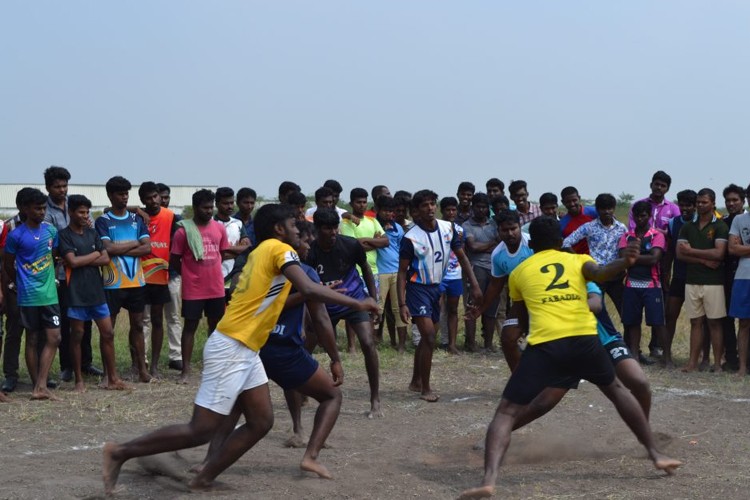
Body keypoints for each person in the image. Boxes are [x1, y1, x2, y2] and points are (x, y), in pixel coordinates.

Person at [102, 204, 379, 494]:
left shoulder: (263, 252)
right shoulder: (278, 249)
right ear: (279, 229)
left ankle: (204, 478)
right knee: (201, 429)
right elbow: (308, 291)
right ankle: (119, 452)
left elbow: (291, 296)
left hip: (247, 349)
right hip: (232, 346)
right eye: (294, 225)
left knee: (261, 421)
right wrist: (359, 303)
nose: (300, 230)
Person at [458, 216, 682, 500]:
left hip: (546, 345)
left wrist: (514, 338)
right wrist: (624, 263)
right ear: (559, 242)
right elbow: (601, 272)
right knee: (616, 390)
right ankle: (655, 453)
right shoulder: (577, 261)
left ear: (532, 243)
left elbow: (521, 317)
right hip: (584, 340)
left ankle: (489, 480)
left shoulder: (519, 272)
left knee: (505, 412)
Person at [397, 190, 482, 402]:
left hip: (437, 288)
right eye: (425, 205)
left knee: (427, 338)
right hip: (418, 289)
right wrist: (401, 303)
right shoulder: (410, 238)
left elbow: (462, 257)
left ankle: (416, 380)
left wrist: (475, 284)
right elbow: (401, 272)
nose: (430, 208)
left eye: (432, 204)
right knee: (428, 336)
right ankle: (425, 388)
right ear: (416, 211)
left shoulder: (448, 228)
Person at [304, 208, 382, 418]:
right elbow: (306, 288)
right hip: (325, 305)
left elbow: (365, 268)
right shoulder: (309, 252)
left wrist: (372, 299)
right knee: (306, 347)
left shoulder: (350, 244)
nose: (333, 232)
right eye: (327, 228)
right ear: (317, 229)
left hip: (353, 299)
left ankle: (375, 399)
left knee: (368, 342)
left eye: (335, 227)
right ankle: (300, 390)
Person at [59, 195, 129, 392]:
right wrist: (93, 255)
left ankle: (112, 378)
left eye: (87, 212)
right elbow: (72, 262)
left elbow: (105, 258)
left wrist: (84, 258)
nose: (84, 215)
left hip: (96, 292)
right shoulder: (64, 235)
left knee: (108, 332)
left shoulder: (92, 233)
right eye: (81, 212)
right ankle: (79, 380)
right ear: (71, 212)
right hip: (76, 293)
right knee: (77, 336)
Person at [43, 166, 101, 382]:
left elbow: (91, 232)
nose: (62, 190)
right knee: (67, 321)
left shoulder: (76, 205)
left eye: (65, 185)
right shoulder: (45, 211)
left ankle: (86, 363)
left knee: (86, 321)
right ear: (49, 187)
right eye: (57, 186)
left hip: (85, 271)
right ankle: (67, 365)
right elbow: (54, 242)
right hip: (60, 274)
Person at [2, 188, 61, 400]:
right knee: (32, 339)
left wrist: (49, 278)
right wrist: (20, 283)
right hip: (27, 297)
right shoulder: (15, 235)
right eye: (37, 208)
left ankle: (41, 384)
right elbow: (8, 265)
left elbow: (53, 256)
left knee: (54, 337)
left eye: (44, 208)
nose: (42, 212)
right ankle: (38, 386)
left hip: (50, 296)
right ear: (25, 209)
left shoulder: (51, 231)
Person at [96, 176, 152, 383]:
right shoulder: (103, 221)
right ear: (110, 196)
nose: (124, 197)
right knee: (108, 329)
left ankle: (142, 370)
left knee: (138, 325)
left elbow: (147, 247)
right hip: (112, 283)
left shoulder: (137, 219)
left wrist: (120, 248)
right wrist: (134, 243)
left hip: (137, 282)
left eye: (127, 193)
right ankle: (108, 373)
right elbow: (108, 249)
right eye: (120, 194)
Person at [170, 189, 229, 384]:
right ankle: (185, 371)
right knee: (190, 327)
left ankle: (214, 366)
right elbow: (175, 260)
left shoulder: (219, 229)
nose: (209, 211)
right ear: (195, 208)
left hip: (216, 287)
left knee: (215, 327)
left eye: (211, 207)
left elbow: (223, 252)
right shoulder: (182, 232)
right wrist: (191, 273)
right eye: (205, 208)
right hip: (194, 289)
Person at [629, 170, 681, 359]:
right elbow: (633, 230)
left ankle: (657, 346)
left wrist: (659, 233)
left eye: (663, 185)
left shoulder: (673, 209)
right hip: (641, 254)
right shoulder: (639, 205)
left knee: (660, 304)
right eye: (656, 184)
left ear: (667, 188)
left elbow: (675, 233)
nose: (659, 187)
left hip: (665, 258)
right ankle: (635, 350)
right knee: (640, 305)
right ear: (651, 184)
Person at [676, 188, 729, 373]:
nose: (700, 205)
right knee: (695, 322)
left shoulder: (720, 226)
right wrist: (703, 259)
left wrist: (691, 251)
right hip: (692, 280)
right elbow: (680, 254)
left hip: (714, 282)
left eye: (704, 202)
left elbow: (719, 253)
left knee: (714, 323)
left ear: (713, 203)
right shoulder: (687, 226)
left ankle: (716, 364)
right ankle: (692, 363)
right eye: (698, 202)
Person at [562, 193, 627, 320]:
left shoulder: (621, 228)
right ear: (597, 209)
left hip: (616, 276)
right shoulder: (589, 227)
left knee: (626, 312)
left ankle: (627, 340)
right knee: (595, 314)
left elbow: (625, 247)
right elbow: (566, 242)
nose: (607, 212)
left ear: (614, 208)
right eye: (603, 208)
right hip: (597, 276)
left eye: (610, 208)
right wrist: (579, 260)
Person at [618, 201, 667, 366]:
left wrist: (633, 258)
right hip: (631, 285)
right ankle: (635, 355)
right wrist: (637, 258)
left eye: (644, 215)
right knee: (632, 322)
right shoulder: (627, 236)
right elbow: (624, 259)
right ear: (633, 216)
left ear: (649, 216)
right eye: (637, 215)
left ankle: (667, 357)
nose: (640, 219)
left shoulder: (656, 235)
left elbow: (654, 258)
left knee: (658, 322)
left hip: (652, 285)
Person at [340, 188, 388, 352]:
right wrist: (374, 241)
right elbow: (352, 245)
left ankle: (369, 341)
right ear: (351, 203)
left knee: (372, 306)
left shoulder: (372, 221)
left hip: (373, 271)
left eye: (364, 202)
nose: (362, 205)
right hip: (354, 271)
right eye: (358, 202)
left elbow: (385, 241)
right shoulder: (346, 223)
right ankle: (351, 345)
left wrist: (366, 241)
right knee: (353, 307)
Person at [138, 182, 176, 378]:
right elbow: (109, 209)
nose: (153, 201)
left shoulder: (170, 216)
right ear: (142, 200)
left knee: (157, 321)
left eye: (155, 197)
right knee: (138, 322)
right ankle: (140, 364)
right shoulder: (137, 216)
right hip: (139, 277)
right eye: (148, 198)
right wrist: (137, 210)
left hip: (161, 276)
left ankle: (154, 366)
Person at [462, 193, 501, 351]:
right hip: (475, 268)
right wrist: (492, 243)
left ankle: (488, 345)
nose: (481, 210)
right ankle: (470, 344)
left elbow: (500, 243)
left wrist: (484, 245)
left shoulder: (494, 224)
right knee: (473, 305)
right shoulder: (467, 225)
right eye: (478, 206)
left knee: (491, 307)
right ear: (472, 208)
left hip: (494, 268)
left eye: (484, 207)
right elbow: (473, 247)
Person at [664, 190, 698, 368]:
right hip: (678, 276)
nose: (684, 208)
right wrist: (666, 273)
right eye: (681, 204)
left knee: (698, 320)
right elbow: (669, 251)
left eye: (689, 205)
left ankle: (701, 358)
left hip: (697, 277)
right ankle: (667, 356)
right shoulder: (672, 223)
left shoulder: (701, 222)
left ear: (695, 205)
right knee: (670, 316)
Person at [155, 183, 184, 371]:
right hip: (151, 275)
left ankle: (176, 355)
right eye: (160, 197)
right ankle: (145, 357)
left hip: (172, 274)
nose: (163, 201)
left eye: (166, 197)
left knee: (173, 316)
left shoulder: (176, 219)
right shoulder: (145, 218)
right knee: (148, 319)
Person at [374, 195, 408, 352]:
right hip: (379, 272)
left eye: (391, 211)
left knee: (398, 307)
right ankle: (373, 342)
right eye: (385, 211)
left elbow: (402, 249)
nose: (389, 214)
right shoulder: (374, 225)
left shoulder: (398, 228)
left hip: (397, 272)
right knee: (377, 308)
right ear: (378, 210)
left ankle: (401, 345)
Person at [720, 183, 746, 370]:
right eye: (728, 200)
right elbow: (730, 249)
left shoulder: (745, 219)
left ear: (743, 201)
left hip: (745, 274)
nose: (731, 203)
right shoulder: (722, 223)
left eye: (735, 200)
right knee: (727, 319)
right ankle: (731, 358)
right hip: (727, 276)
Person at [213, 187, 251, 302]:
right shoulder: (210, 223)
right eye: (225, 203)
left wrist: (222, 248)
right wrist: (236, 250)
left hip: (234, 273)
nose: (230, 206)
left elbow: (247, 247)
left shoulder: (237, 223)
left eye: (231, 203)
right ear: (217, 204)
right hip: (214, 273)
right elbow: (211, 252)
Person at [437, 197, 464, 354]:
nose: (451, 212)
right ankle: (434, 340)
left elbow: (463, 253)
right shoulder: (436, 227)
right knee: (437, 308)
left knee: (453, 309)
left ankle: (452, 344)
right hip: (438, 275)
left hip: (455, 274)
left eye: (454, 209)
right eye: (448, 209)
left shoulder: (460, 230)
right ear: (442, 210)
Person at [728, 189, 750, 375]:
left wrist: (745, 248)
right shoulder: (739, 220)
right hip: (743, 276)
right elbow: (733, 248)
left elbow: (739, 247)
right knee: (743, 322)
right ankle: (742, 367)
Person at [559, 186, 597, 254]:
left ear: (579, 198)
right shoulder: (562, 224)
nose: (572, 204)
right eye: (568, 202)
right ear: (563, 202)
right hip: (577, 262)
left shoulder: (594, 213)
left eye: (574, 200)